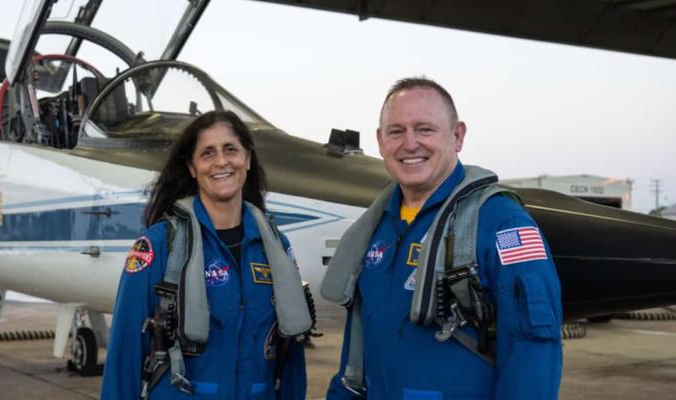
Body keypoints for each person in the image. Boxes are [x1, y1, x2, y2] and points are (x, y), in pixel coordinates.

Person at [323, 77, 562, 399]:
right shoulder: (374, 227)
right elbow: (357, 345)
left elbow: (534, 344)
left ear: (457, 135)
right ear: (380, 141)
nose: (410, 144)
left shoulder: (502, 222)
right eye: (396, 131)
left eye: (424, 129)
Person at [101, 111, 310, 399]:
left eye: (231, 150)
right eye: (207, 153)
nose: (221, 162)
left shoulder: (276, 248)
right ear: (192, 167)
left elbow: (290, 357)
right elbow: (124, 355)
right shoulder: (161, 246)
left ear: (247, 159)